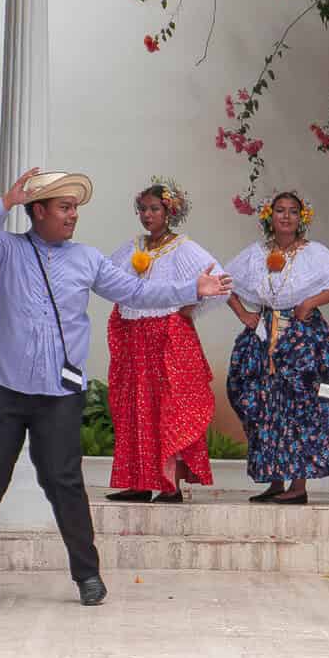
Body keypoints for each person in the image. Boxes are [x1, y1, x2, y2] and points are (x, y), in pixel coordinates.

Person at [0, 169, 233, 606]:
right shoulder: (7, 248)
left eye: (75, 208)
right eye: (64, 208)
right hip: (2, 386)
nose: (73, 216)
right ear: (38, 211)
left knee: (64, 481)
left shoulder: (88, 259)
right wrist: (4, 203)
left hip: (59, 393)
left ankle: (88, 576)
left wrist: (191, 288)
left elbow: (136, 293)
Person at [225, 191, 329, 504]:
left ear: (302, 218)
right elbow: (222, 282)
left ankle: (298, 485)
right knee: (262, 403)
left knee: (299, 404)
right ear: (270, 216)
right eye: (280, 210)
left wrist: (311, 301)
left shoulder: (313, 252)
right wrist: (245, 314)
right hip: (262, 336)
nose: (285, 216)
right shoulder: (257, 253)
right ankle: (274, 480)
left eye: (293, 211)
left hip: (301, 336)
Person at [104, 178, 224, 503]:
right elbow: (107, 278)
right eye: (143, 209)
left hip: (167, 337)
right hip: (134, 335)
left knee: (165, 405)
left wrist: (189, 310)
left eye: (154, 208)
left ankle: (170, 484)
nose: (147, 215)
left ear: (168, 211)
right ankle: (138, 481)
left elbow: (220, 279)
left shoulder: (183, 248)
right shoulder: (133, 247)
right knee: (134, 404)